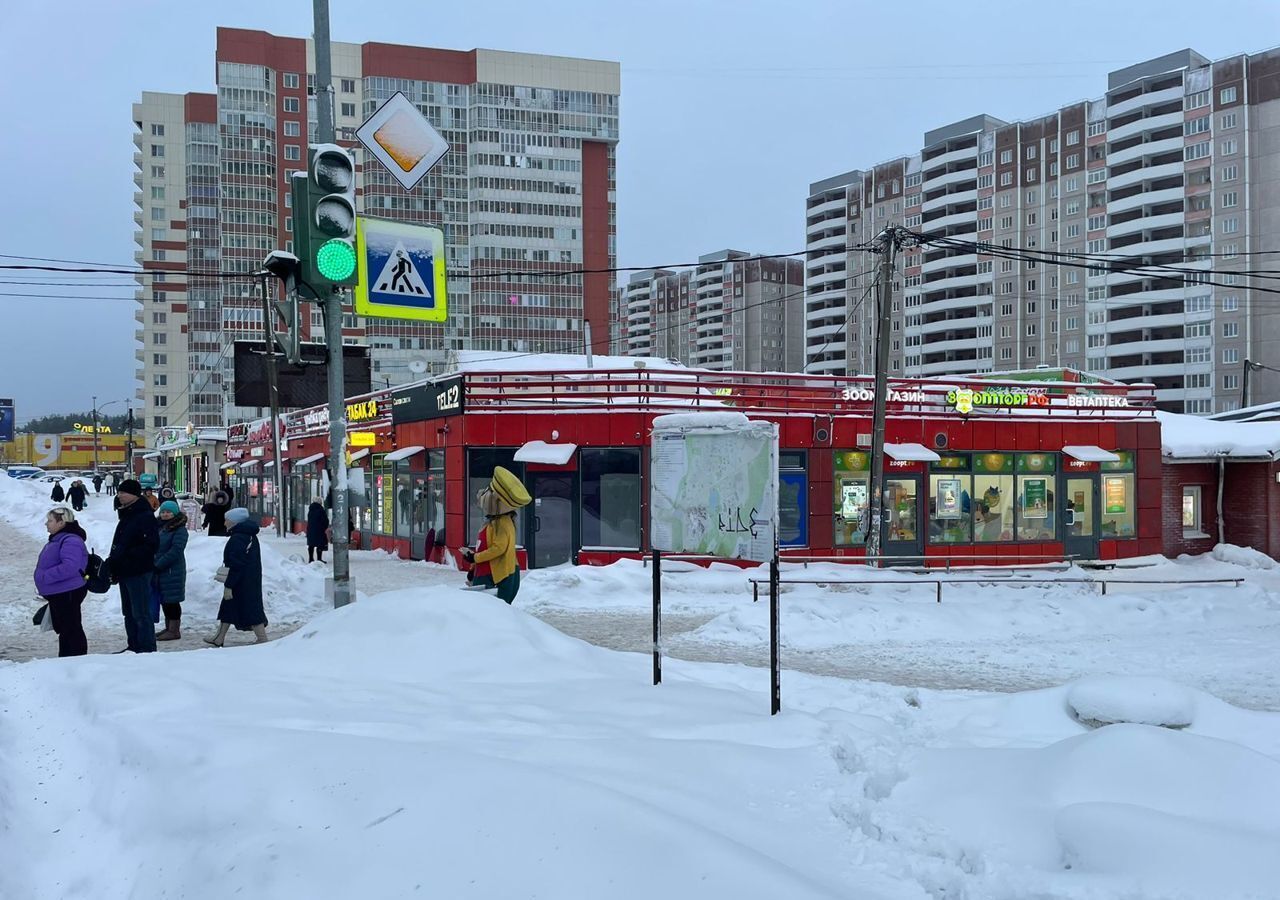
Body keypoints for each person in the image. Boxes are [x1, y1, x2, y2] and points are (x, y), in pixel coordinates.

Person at [108, 478, 161, 653]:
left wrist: (126, 557)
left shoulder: (144, 516)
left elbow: (150, 545)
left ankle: (146, 648)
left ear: (134, 495)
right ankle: (134, 646)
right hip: (125, 571)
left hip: (138, 571)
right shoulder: (127, 514)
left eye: (123, 492)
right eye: (119, 492)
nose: (119, 495)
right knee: (129, 612)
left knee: (141, 612)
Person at [205, 508, 267, 647]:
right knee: (229, 607)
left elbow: (236, 564)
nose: (225, 523)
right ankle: (219, 638)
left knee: (251, 608)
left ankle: (262, 638)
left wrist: (229, 585)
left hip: (242, 580)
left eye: (227, 520)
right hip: (248, 578)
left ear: (234, 521)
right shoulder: (247, 535)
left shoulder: (238, 538)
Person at [33, 506, 89, 657]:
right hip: (60, 591)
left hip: (67, 591)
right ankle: (67, 659)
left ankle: (74, 659)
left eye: (50, 520)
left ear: (61, 522)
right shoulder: (60, 538)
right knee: (65, 628)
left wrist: (45, 576)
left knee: (70, 627)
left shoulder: (70, 540)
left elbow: (71, 566)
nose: (46, 524)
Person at [469, 488, 519, 604]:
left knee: (490, 608)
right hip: (486, 571)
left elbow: (499, 548)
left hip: (496, 573)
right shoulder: (494, 521)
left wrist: (475, 558)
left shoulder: (501, 522)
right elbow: (483, 546)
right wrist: (473, 565)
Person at [153, 500, 188, 641]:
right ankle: (168, 628)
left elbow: (176, 550)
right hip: (160, 570)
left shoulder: (180, 530)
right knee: (165, 600)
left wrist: (159, 564)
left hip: (172, 571)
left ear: (175, 513)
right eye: (163, 512)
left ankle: (174, 630)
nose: (165, 514)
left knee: (172, 601)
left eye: (168, 512)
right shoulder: (159, 527)